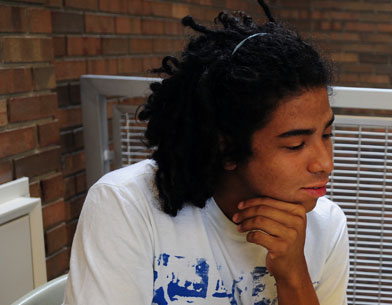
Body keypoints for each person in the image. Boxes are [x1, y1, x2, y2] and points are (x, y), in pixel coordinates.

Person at [64, 4, 348, 305]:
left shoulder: (326, 224)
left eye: (326, 135)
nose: (325, 163)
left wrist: (294, 277)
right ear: (226, 147)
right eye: (295, 145)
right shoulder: (126, 205)